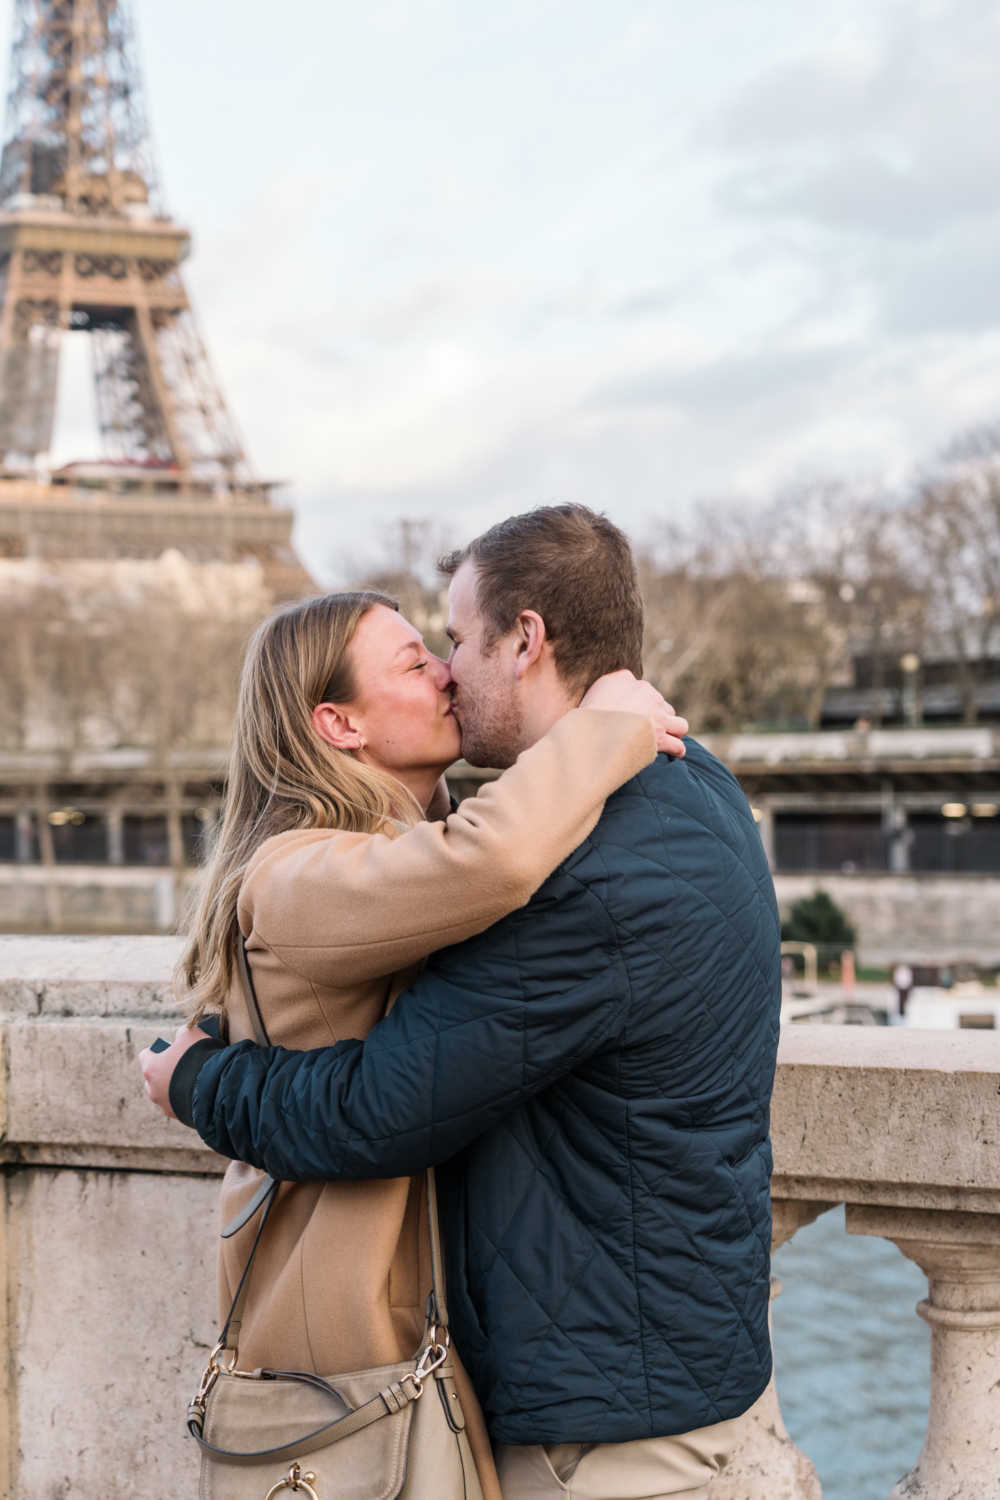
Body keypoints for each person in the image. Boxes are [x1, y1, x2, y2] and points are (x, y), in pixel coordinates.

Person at [143, 504, 781, 1500]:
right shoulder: (688, 783)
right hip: (398, 1359)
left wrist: (203, 1082)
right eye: (418, 659)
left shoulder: (584, 864)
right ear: (338, 724)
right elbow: (477, 860)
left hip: (602, 1416)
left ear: (524, 639)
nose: (445, 670)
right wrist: (610, 725)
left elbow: (377, 1108)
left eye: (449, 639)